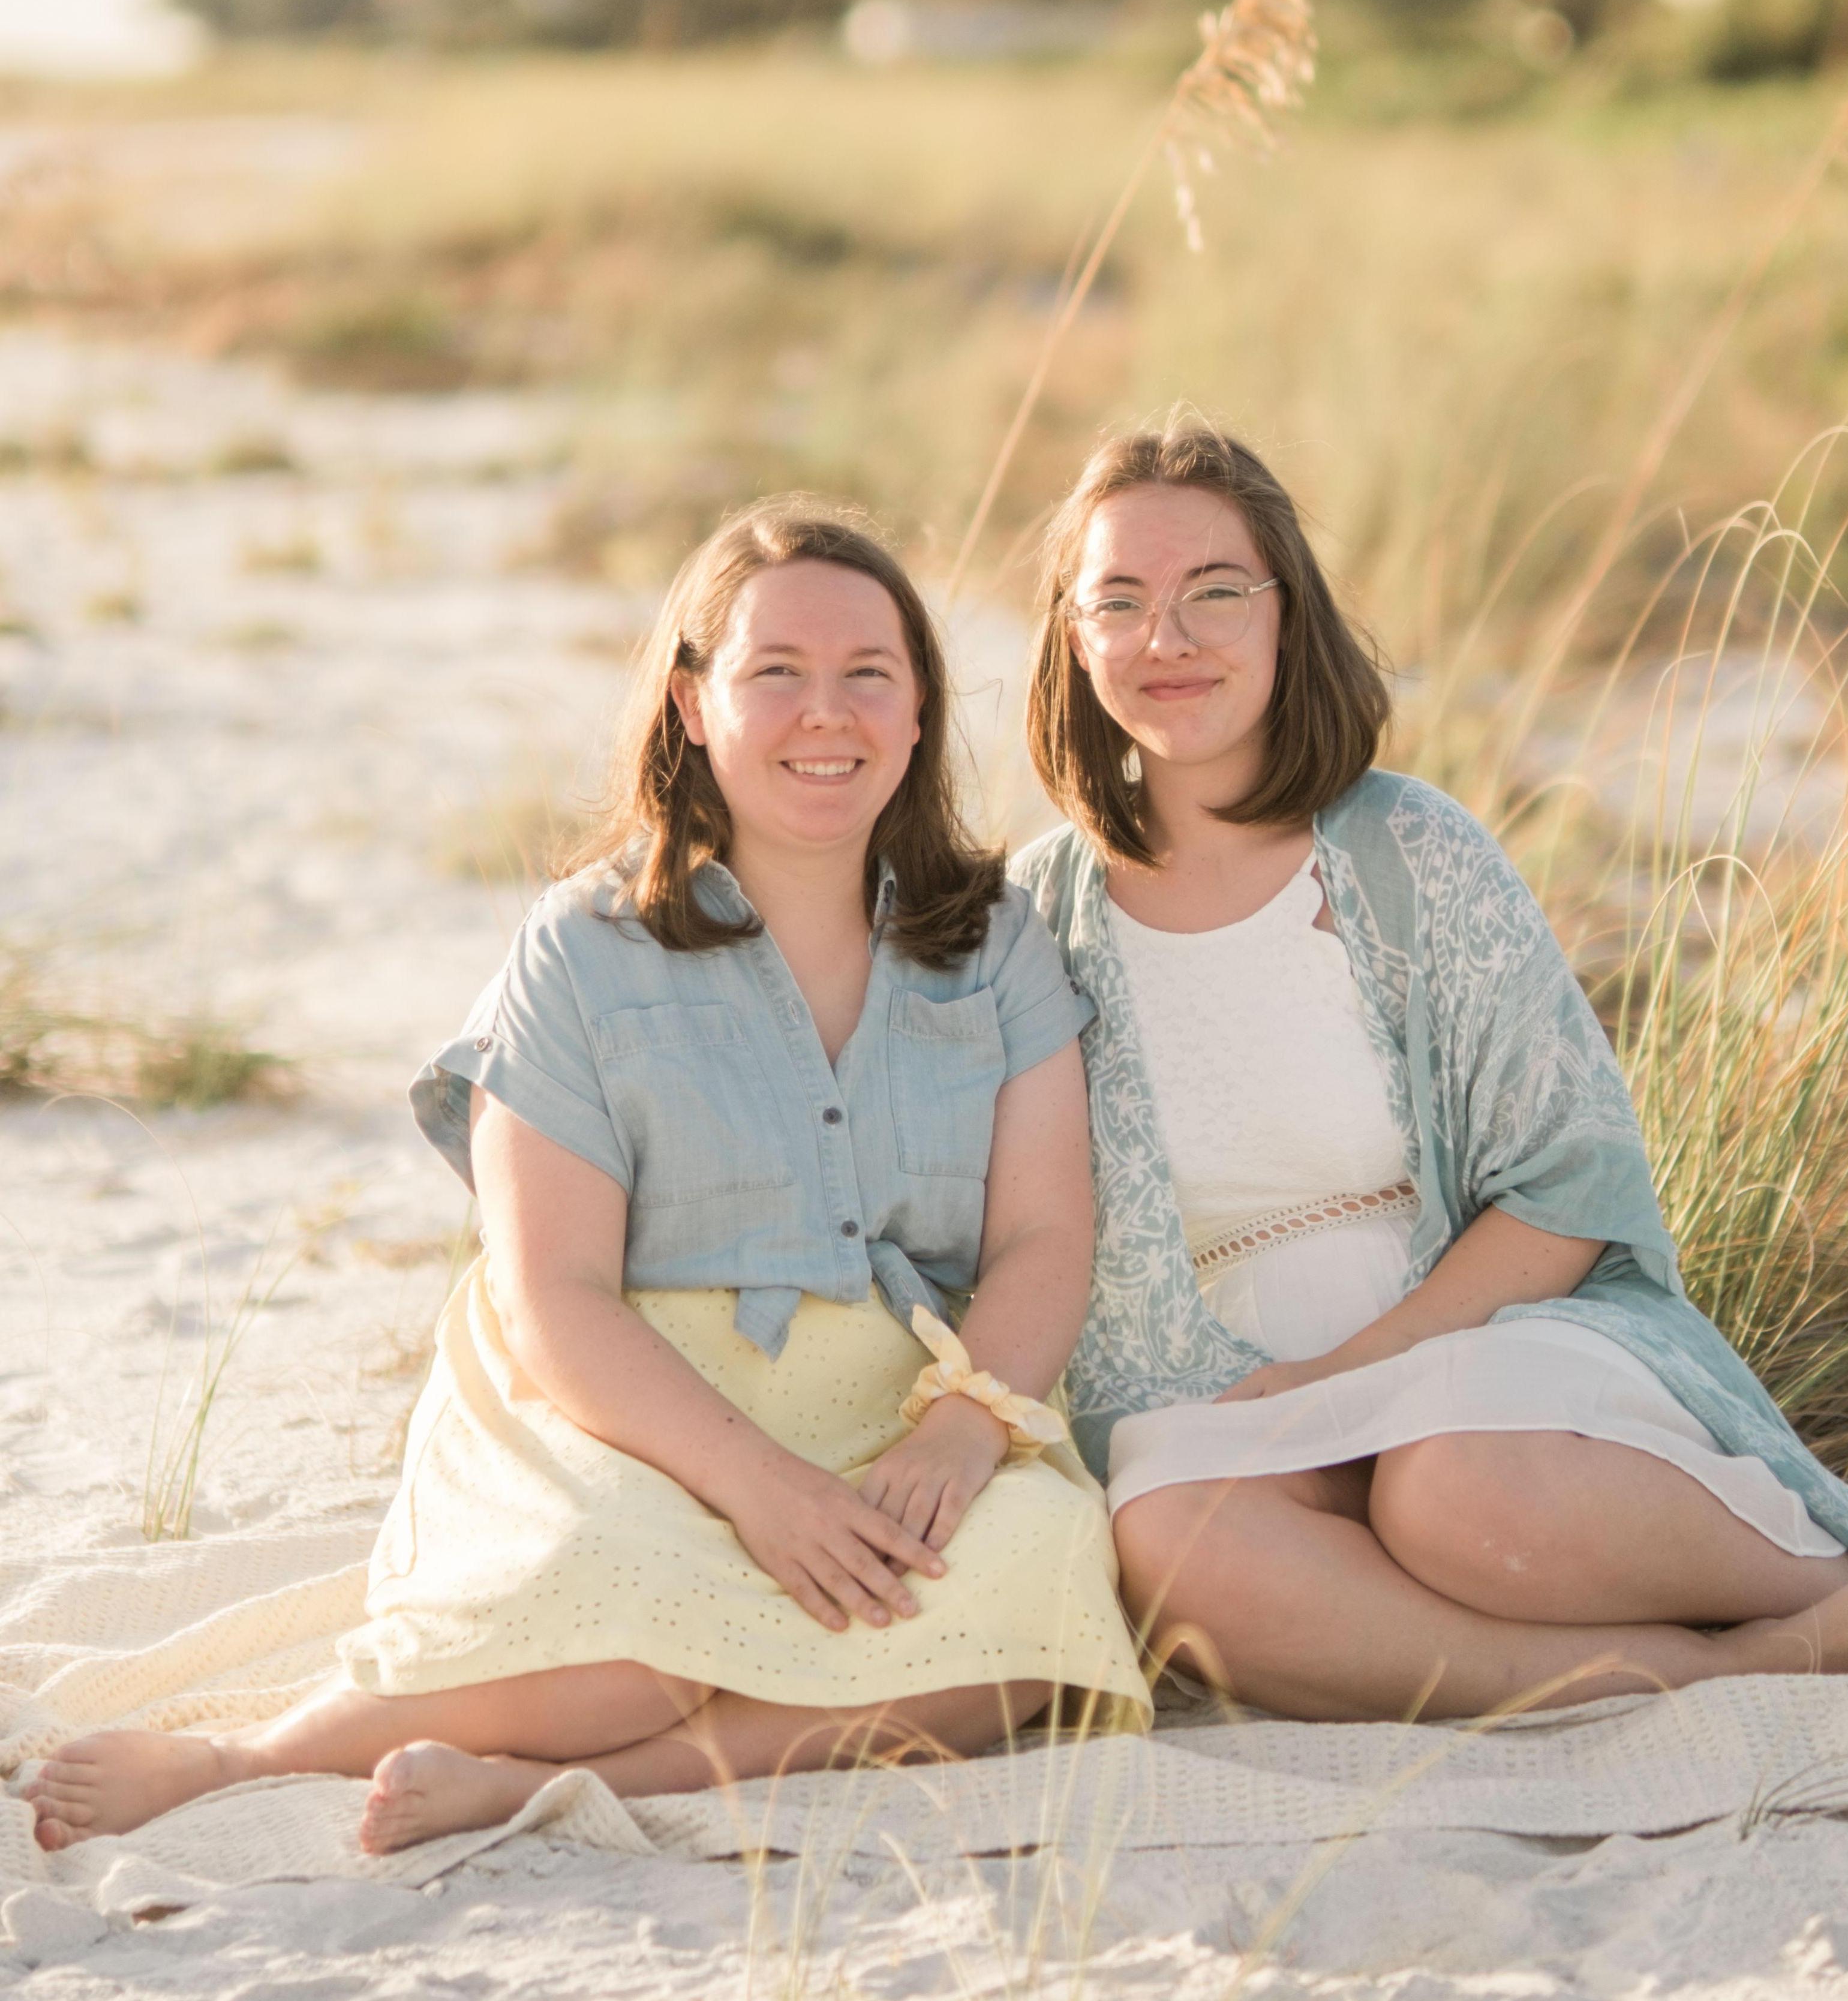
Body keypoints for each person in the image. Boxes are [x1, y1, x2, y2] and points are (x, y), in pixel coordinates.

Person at [31, 499, 1147, 1857]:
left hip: (901, 1403)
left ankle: (561, 1786)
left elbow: (1044, 1239)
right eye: (775, 671)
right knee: (633, 1639)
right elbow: (553, 1293)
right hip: (628, 1398)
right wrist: (762, 1490)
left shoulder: (996, 943)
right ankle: (241, 1757)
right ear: (692, 704)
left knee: (1043, 1595)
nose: (827, 712)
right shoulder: (582, 947)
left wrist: (963, 1432)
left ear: (918, 713)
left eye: (871, 672)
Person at [1011, 416, 1848, 1721]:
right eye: (1120, 600)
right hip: (1229, 1409)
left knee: (1455, 1497)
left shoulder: (1412, 853)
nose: (1167, 637)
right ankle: (1718, 1665)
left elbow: (1567, 1188)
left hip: (1495, 1364)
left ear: (1288, 615)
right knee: (1167, 1539)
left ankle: (1831, 1578)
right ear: (1073, 636)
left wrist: (1350, 1375)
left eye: (1216, 591)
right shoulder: (1035, 923)